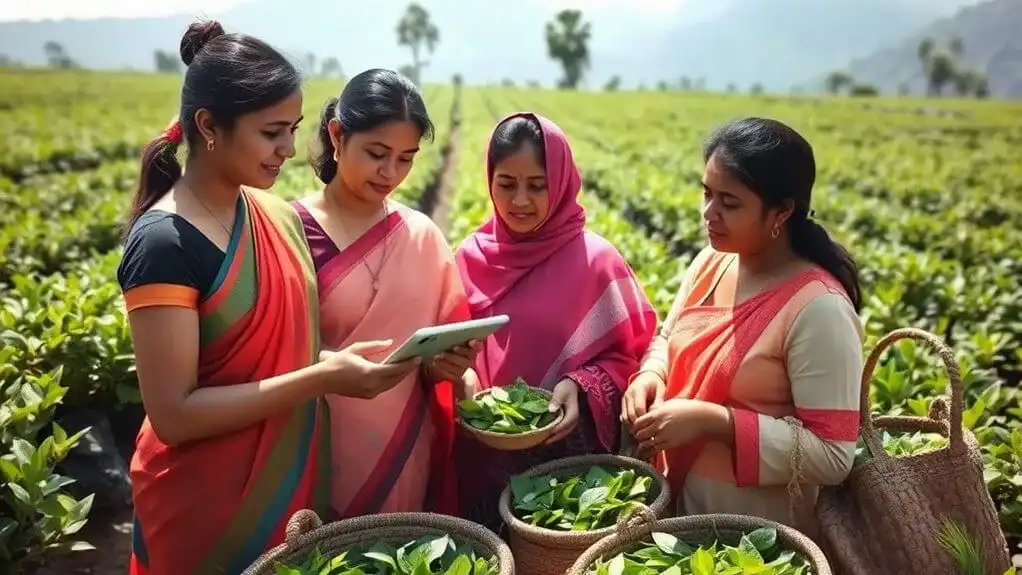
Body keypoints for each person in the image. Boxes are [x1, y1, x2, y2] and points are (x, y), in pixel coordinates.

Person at [118, 24, 416, 575]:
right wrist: (324, 379)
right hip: (201, 508)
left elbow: (280, 354)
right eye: (272, 132)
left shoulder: (274, 216)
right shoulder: (165, 243)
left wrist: (337, 363)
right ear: (209, 126)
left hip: (291, 489)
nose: (288, 149)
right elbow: (175, 414)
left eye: (293, 130)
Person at [622, 117, 864, 531]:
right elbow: (669, 336)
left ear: (782, 211)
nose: (708, 214)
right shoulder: (711, 263)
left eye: (729, 203)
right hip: (673, 506)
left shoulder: (819, 309)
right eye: (707, 194)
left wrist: (715, 422)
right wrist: (651, 374)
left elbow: (833, 453)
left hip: (752, 534)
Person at [453, 112, 659, 532]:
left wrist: (580, 386)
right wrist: (465, 378)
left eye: (537, 185)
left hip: (568, 472)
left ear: (562, 182)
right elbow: (448, 346)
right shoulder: (468, 258)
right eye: (506, 184)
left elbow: (633, 354)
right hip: (479, 455)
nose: (520, 201)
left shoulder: (597, 261)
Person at [293, 68, 476, 520]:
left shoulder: (423, 236)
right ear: (337, 136)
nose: (390, 173)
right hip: (306, 446)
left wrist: (449, 367)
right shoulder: (289, 231)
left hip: (403, 449)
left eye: (406, 158)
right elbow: (265, 352)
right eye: (377, 153)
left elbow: (443, 358)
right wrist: (326, 367)